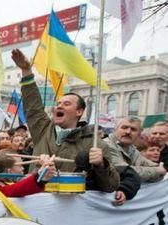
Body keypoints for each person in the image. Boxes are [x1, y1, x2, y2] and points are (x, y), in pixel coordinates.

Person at [11, 48, 119, 193]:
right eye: (58, 103)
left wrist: (101, 165)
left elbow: (111, 186)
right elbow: (32, 105)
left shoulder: (95, 145)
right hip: (36, 202)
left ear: (79, 112)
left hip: (69, 209)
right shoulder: (42, 128)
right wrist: (26, 71)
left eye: (67, 104)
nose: (59, 106)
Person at [104, 117, 166, 182]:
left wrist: (158, 170)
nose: (128, 132)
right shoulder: (106, 145)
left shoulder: (132, 149)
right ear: (115, 130)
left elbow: (150, 165)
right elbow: (122, 171)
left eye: (133, 129)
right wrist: (157, 171)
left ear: (139, 134)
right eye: (124, 127)